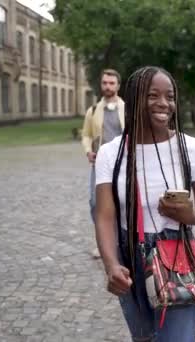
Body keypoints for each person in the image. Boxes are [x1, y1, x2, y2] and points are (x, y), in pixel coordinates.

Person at [94, 66, 195, 341]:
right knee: (145, 337)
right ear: (134, 99)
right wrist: (111, 264)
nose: (164, 103)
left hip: (176, 253)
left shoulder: (191, 149)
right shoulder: (111, 153)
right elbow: (105, 216)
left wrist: (190, 214)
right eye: (153, 95)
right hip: (130, 258)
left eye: (170, 96)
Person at [81, 69, 126, 258]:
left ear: (118, 85)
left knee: (121, 202)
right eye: (105, 83)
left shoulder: (128, 108)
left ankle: (119, 239)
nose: (108, 86)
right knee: (94, 202)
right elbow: (86, 135)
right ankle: (103, 238)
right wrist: (88, 151)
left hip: (123, 162)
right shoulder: (93, 110)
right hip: (100, 163)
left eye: (111, 83)